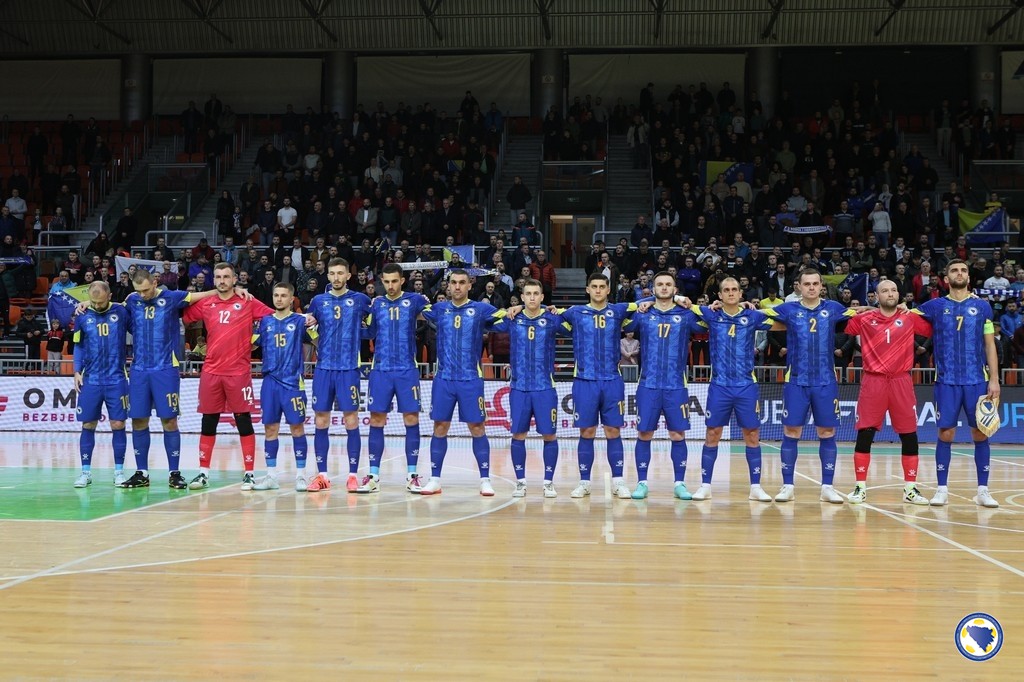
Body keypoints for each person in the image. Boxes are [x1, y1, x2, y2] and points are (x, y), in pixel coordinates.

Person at [762, 269, 857, 503]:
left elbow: (860, 312)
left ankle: (827, 487)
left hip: (825, 381)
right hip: (796, 381)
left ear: (821, 285)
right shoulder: (788, 309)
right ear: (799, 286)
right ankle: (787, 486)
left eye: (815, 283)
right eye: (807, 284)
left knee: (827, 433)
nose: (812, 287)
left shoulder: (833, 308)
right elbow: (759, 314)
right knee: (791, 432)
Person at [914, 260, 1001, 508]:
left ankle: (983, 491)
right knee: (946, 433)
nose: (959, 273)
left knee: (980, 432)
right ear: (946, 278)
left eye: (963, 270)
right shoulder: (935, 306)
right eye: (954, 270)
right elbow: (903, 315)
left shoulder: (982, 307)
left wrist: (994, 379)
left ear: (969, 277)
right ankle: (941, 489)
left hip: (977, 381)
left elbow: (989, 345)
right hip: (946, 381)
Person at [183, 263, 275, 490]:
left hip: (238, 372)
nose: (222, 280)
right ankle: (203, 473)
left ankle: (249, 474)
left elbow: (275, 318)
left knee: (243, 421)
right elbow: (183, 313)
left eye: (226, 277)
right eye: (218, 277)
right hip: (211, 371)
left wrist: (258, 340)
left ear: (235, 279)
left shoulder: (247, 301)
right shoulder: (206, 303)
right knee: (208, 421)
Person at [843, 280, 933, 505]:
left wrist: (912, 309)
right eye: (884, 291)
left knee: (909, 434)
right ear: (876, 296)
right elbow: (841, 323)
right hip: (873, 381)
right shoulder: (864, 319)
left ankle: (910, 489)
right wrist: (862, 310)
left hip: (901, 381)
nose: (890, 294)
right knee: (865, 433)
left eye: (893, 290)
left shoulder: (910, 318)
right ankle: (860, 488)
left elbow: (934, 325)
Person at [417, 269, 506, 496]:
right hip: (444, 379)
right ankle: (435, 479)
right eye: (454, 282)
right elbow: (415, 311)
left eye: (462, 282)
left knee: (477, 427)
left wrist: (515, 310)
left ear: (469, 285)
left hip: (470, 379)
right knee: (440, 427)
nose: (457, 286)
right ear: (448, 285)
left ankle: (485, 480)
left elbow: (506, 318)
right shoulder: (439, 309)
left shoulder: (481, 309)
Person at [690, 277, 775, 501]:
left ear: (740, 294)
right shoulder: (711, 315)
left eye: (734, 289)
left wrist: (757, 307)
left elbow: (781, 317)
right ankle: (705, 486)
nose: (730, 293)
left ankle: (755, 487)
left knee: (752, 435)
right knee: (712, 434)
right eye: (726, 290)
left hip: (746, 385)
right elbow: (683, 302)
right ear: (719, 295)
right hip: (719, 386)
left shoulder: (752, 316)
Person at [623, 273, 703, 500]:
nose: (664, 288)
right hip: (648, 385)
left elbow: (709, 320)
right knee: (644, 433)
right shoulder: (643, 313)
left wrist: (687, 302)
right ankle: (642, 483)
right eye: (660, 284)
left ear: (675, 289)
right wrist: (644, 302)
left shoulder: (685, 315)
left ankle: (680, 484)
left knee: (677, 434)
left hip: (676, 386)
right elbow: (620, 320)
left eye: (668, 285)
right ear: (653, 288)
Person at [558, 273, 638, 500]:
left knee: (613, 431)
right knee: (587, 431)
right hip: (585, 381)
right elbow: (548, 313)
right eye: (594, 286)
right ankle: (584, 482)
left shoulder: (619, 310)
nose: (598, 290)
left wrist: (678, 298)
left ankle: (618, 481)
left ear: (608, 289)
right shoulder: (575, 312)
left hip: (612, 380)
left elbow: (646, 302)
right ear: (587, 289)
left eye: (602, 286)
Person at [490, 279, 563, 498]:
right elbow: (486, 320)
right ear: (522, 297)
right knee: (518, 434)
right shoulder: (513, 319)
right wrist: (512, 309)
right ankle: (520, 482)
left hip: (544, 388)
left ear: (542, 297)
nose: (532, 297)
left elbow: (576, 320)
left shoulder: (552, 319)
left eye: (536, 293)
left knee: (549, 435)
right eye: (528, 294)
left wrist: (555, 310)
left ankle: (548, 482)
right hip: (519, 388)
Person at [363, 263, 431, 493]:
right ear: (381, 282)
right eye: (386, 281)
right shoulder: (377, 304)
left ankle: (412, 475)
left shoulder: (415, 300)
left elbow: (433, 313)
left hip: (406, 370)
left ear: (402, 280)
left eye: (394, 281)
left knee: (411, 419)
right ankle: (373, 475)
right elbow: (369, 332)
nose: (390, 285)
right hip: (380, 370)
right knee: (376, 420)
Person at [307, 258, 373, 492]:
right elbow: (309, 328)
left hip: (348, 369)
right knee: (321, 420)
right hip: (323, 369)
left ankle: (353, 475)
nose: (336, 277)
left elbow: (374, 324)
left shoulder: (360, 300)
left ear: (348, 276)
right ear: (327, 276)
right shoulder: (318, 301)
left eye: (340, 273)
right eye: (332, 273)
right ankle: (322, 476)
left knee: (351, 419)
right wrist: (319, 342)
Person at [252, 283, 312, 491]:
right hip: (270, 382)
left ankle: (301, 476)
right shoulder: (265, 321)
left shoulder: (300, 321)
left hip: (293, 382)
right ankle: (271, 476)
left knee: (297, 427)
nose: (279, 299)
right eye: (276, 295)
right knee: (270, 428)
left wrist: (315, 324)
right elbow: (251, 345)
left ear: (291, 299)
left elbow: (319, 342)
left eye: (283, 295)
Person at [71, 282, 130, 488]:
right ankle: (85, 473)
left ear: (110, 296)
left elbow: (137, 303)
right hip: (91, 380)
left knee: (118, 424)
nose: (96, 306)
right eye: (92, 302)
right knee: (88, 425)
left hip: (117, 379)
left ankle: (119, 472)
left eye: (100, 302)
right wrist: (76, 371)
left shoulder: (121, 312)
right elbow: (78, 345)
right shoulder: (82, 315)